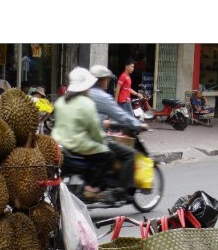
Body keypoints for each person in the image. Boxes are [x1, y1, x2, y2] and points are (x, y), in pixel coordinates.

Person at [51, 67, 113, 198]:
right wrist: (103, 140)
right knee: (107, 153)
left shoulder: (61, 101)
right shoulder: (87, 103)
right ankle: (92, 187)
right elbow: (95, 130)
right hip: (78, 146)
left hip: (58, 144)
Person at [89, 64, 146, 199]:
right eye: (106, 79)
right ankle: (122, 190)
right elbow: (120, 115)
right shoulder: (101, 96)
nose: (108, 82)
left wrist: (105, 122)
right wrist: (138, 124)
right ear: (102, 80)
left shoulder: (84, 93)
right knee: (130, 154)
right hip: (97, 139)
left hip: (83, 136)